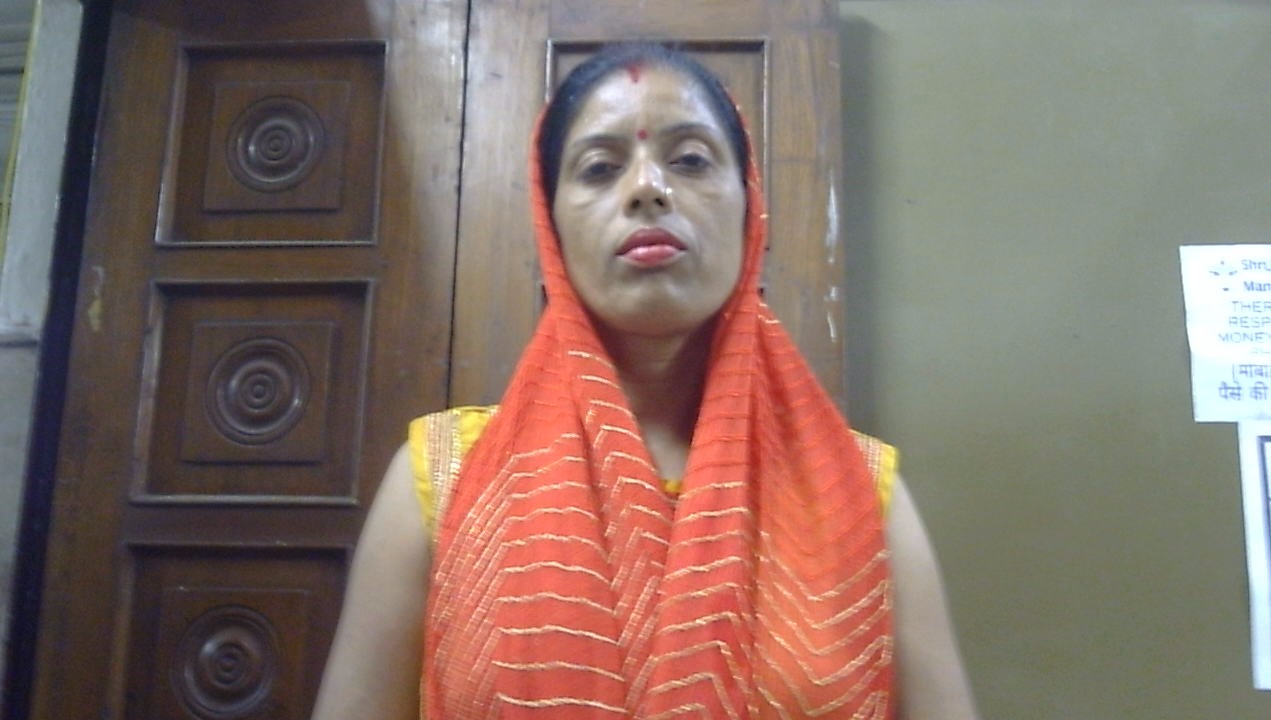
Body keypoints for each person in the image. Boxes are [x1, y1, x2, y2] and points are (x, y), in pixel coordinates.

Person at [312, 43, 979, 720]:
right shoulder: (442, 482)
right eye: (600, 168)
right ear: (551, 224)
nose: (647, 187)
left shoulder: (862, 495)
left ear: (749, 207)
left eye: (689, 160)